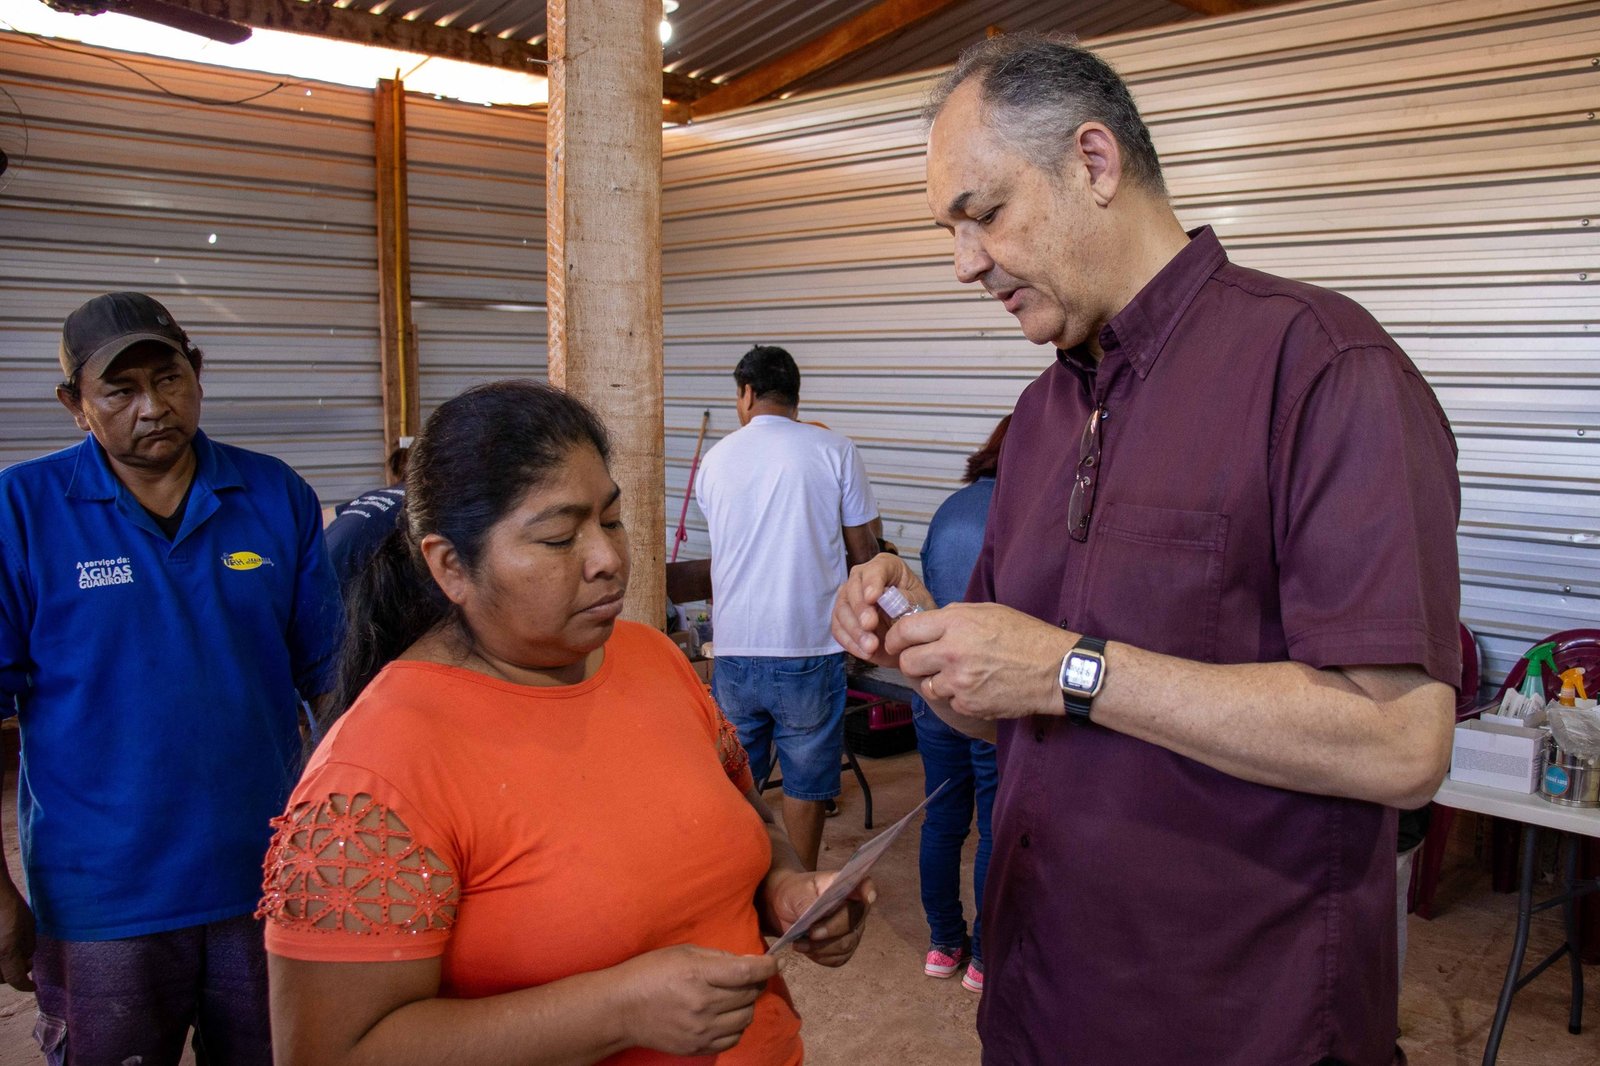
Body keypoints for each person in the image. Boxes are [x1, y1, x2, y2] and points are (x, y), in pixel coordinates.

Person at [832, 35, 1461, 1066]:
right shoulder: (1041, 415)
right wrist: (914, 640)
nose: (963, 263)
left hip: (1232, 1025)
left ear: (1092, 162)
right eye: (948, 231)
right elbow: (1002, 716)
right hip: (1038, 1002)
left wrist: (1071, 667)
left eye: (984, 214)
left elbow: (1400, 744)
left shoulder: (1320, 368)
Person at [258, 380, 872, 1065]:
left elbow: (745, 818)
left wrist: (784, 890)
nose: (608, 560)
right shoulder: (378, 772)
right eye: (558, 538)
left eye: (610, 520)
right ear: (451, 565)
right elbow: (332, 1053)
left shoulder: (651, 658)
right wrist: (614, 1011)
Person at [0, 292, 342, 1064]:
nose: (153, 407)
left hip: (266, 884)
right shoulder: (20, 511)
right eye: (120, 391)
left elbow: (331, 683)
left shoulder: (273, 495)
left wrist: (347, 843)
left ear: (198, 374)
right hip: (102, 900)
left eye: (171, 378)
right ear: (74, 405)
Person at [695, 346, 880, 869]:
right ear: (797, 397)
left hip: (733, 648)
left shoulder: (717, 460)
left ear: (747, 394)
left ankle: (742, 882)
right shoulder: (835, 451)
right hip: (810, 648)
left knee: (738, 777)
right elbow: (865, 553)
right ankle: (798, 892)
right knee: (807, 777)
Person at [912, 416, 1007, 994]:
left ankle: (943, 944)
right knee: (995, 824)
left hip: (932, 694)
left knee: (943, 820)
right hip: (993, 698)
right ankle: (985, 957)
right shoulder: (1027, 511)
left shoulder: (949, 509)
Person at [323, 443, 408, 591]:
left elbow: (323, 517)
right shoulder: (420, 502)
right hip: (338, 586)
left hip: (311, 569)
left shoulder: (376, 495)